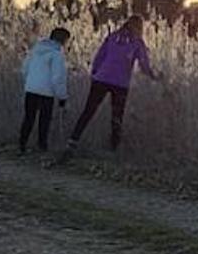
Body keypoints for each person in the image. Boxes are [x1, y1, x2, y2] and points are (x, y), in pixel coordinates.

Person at [65, 14, 160, 156]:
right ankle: (113, 149)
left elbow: (99, 56)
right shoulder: (137, 42)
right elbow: (144, 65)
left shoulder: (113, 36)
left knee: (88, 111)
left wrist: (95, 73)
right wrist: (155, 77)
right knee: (116, 116)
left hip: (100, 79)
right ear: (139, 27)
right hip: (120, 84)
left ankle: (73, 140)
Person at [18, 27, 71, 154]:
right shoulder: (57, 54)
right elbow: (57, 78)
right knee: (44, 120)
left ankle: (22, 145)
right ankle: (42, 146)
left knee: (29, 118)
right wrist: (62, 97)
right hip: (47, 93)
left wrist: (29, 82)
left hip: (30, 89)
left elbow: (24, 68)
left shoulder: (35, 50)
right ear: (62, 40)